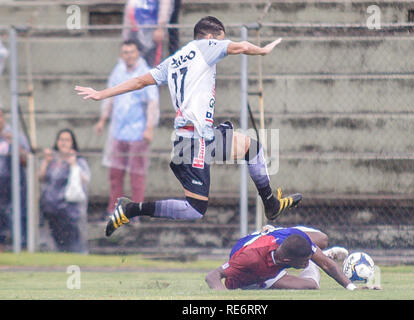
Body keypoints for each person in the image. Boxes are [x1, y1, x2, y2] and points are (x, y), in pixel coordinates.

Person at [75, 16, 302, 238]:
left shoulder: (174, 60)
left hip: (202, 135)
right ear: (211, 37)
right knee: (195, 209)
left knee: (252, 148)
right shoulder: (205, 46)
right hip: (192, 140)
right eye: (221, 40)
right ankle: (130, 209)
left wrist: (101, 94)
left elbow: (138, 82)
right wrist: (262, 50)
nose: (222, 45)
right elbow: (240, 46)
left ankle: (271, 204)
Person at [94, 39, 160, 219]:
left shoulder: (145, 73)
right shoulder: (118, 71)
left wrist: (149, 128)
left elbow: (152, 102)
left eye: (131, 52)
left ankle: (135, 213)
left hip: (137, 132)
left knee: (137, 176)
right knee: (115, 174)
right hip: (119, 132)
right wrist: (103, 119)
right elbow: (110, 96)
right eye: (125, 52)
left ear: (138, 53)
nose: (129, 55)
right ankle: (113, 210)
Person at [205, 224, 378, 291]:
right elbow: (212, 276)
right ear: (287, 262)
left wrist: (352, 288)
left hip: (277, 238)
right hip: (256, 275)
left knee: (322, 240)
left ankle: (316, 253)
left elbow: (326, 265)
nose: (307, 262)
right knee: (311, 286)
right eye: (305, 260)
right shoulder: (250, 259)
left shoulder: (293, 237)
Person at [38, 129, 90, 253]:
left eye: (67, 140)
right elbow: (41, 177)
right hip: (51, 208)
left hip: (69, 209)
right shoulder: (52, 161)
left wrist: (73, 165)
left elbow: (85, 179)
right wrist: (46, 161)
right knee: (56, 241)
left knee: (72, 242)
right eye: (61, 140)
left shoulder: (79, 161)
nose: (64, 143)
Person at [0, 108, 30, 250]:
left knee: (15, 218)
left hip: (12, 188)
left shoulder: (15, 135)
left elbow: (26, 161)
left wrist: (14, 144)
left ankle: (20, 246)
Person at [122, 0, 173, 67]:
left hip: (154, 33)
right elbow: (130, 10)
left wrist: (160, 28)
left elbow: (165, 8)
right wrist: (126, 36)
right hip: (135, 31)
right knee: (134, 63)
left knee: (154, 65)